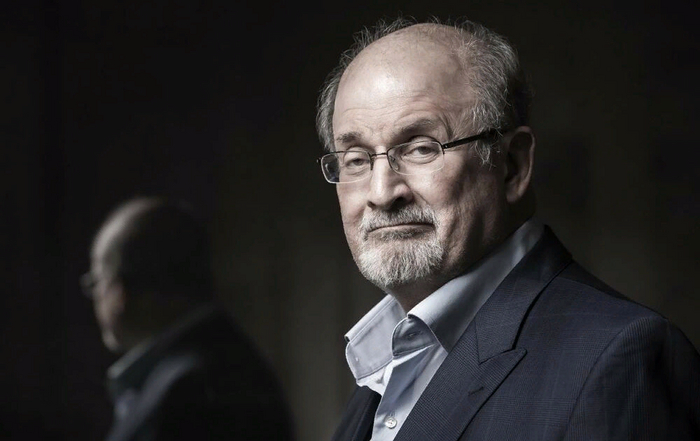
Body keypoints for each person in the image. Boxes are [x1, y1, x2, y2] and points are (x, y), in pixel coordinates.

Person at [315, 17, 700, 441]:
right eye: (356, 159)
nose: (382, 192)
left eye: (422, 148)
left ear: (513, 165)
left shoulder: (620, 359)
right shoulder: (383, 370)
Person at [82, 197, 295, 441]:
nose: (95, 296)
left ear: (119, 291)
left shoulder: (185, 390)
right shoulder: (234, 365)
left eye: (96, 281)